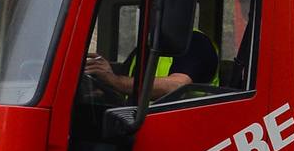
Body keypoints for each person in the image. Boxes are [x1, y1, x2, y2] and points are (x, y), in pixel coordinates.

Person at [84, 30, 219, 99]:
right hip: (142, 124)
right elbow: (126, 86)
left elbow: (176, 86)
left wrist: (115, 81)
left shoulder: (195, 43)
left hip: (187, 130)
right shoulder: (146, 47)